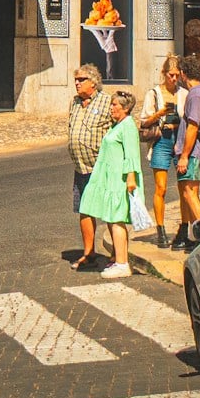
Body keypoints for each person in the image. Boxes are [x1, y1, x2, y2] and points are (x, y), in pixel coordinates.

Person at [79, 89, 143, 279]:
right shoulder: (117, 126)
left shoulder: (128, 126)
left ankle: (122, 264)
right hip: (110, 180)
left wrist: (131, 177)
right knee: (112, 218)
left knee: (117, 220)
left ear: (125, 108)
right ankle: (118, 260)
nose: (111, 108)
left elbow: (132, 154)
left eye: (115, 105)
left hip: (120, 181)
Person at [67, 63, 115, 269]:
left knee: (109, 211)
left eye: (81, 80)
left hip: (100, 167)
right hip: (81, 167)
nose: (77, 83)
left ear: (93, 82)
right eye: (75, 80)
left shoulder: (107, 102)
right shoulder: (75, 103)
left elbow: (118, 128)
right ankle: (89, 253)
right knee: (84, 210)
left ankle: (116, 254)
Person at [139, 56, 185, 247]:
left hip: (179, 140)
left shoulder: (184, 93)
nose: (174, 79)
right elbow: (144, 121)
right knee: (161, 187)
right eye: (170, 75)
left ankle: (184, 228)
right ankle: (160, 229)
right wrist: (160, 114)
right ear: (163, 74)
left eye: (176, 75)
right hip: (162, 140)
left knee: (184, 187)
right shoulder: (154, 94)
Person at [170, 54, 200, 249]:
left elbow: (193, 126)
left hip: (193, 152)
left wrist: (184, 156)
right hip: (194, 151)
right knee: (189, 192)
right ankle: (193, 235)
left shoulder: (195, 95)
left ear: (184, 74)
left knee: (189, 193)